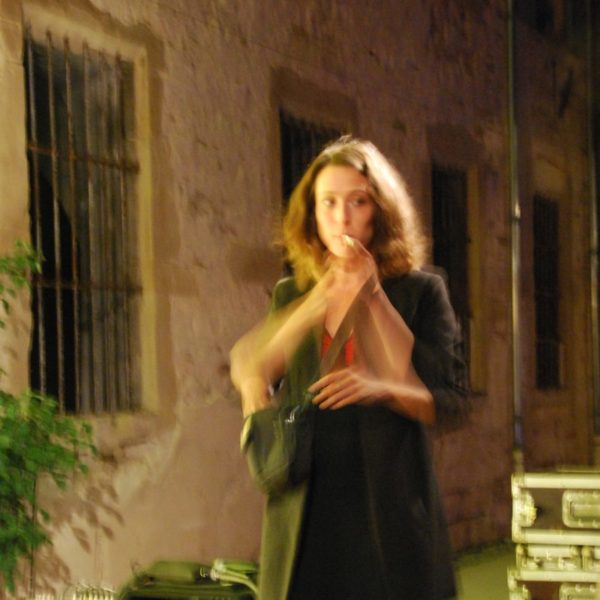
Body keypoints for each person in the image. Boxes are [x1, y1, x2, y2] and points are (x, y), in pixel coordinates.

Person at [230, 136, 469, 600]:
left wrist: (380, 384)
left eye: (357, 201)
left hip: (389, 510)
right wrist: (318, 299)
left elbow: (450, 404)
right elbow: (254, 368)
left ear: (379, 210)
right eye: (329, 202)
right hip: (306, 505)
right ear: (311, 214)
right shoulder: (291, 293)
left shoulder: (422, 291)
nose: (342, 217)